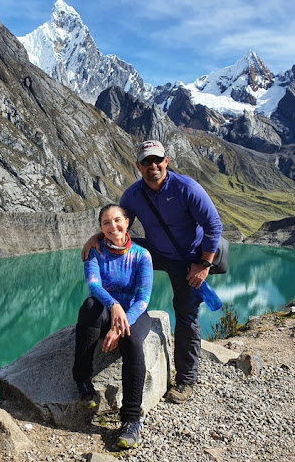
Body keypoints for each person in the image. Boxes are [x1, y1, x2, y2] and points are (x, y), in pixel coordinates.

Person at [82, 140, 222, 405]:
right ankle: (114, 308)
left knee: (186, 313)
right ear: (138, 166)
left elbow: (213, 225)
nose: (152, 166)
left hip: (189, 259)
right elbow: (121, 226)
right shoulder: (133, 195)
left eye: (157, 160)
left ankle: (185, 380)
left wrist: (204, 265)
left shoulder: (187, 188)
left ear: (166, 161)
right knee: (120, 256)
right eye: (146, 162)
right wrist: (97, 237)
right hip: (157, 252)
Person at [73, 204, 153, 450]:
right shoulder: (95, 251)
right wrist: (114, 305)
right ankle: (82, 378)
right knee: (89, 308)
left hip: (134, 311)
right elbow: (94, 286)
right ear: (100, 228)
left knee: (131, 340)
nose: (113, 226)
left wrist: (120, 325)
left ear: (127, 222)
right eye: (106, 223)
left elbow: (142, 298)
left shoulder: (141, 255)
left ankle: (130, 420)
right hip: (107, 306)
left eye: (117, 220)